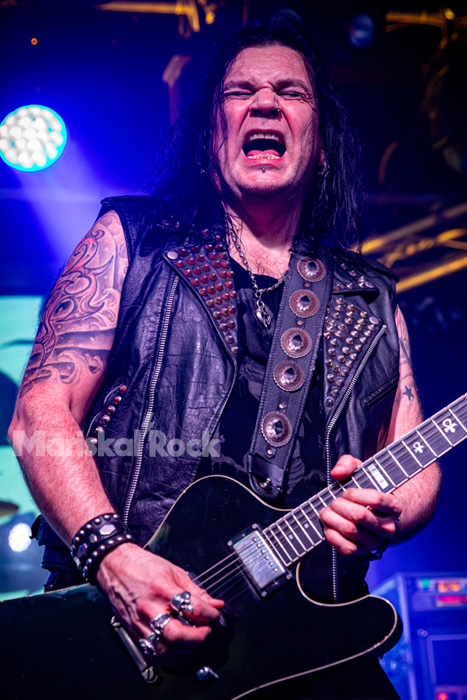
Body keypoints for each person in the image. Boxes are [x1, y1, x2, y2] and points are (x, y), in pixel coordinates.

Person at [9, 12, 441, 699]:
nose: (265, 102)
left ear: (321, 144)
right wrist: (112, 557)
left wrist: (387, 508)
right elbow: (40, 411)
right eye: (240, 92)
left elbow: (414, 458)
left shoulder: (369, 298)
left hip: (313, 643)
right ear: (210, 137)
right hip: (126, 638)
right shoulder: (133, 240)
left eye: (290, 92)